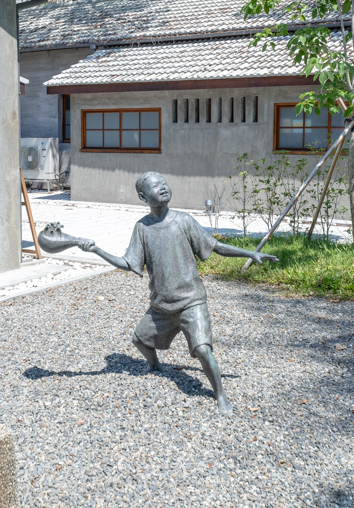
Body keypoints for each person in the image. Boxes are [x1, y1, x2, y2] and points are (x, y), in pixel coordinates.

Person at [80, 172, 277, 415]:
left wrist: (249, 253)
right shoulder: (141, 228)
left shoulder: (183, 221)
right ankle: (154, 366)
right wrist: (97, 250)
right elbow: (129, 263)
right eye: (155, 187)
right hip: (161, 306)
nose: (162, 188)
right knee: (139, 339)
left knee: (203, 349)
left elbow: (216, 246)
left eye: (164, 184)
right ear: (143, 197)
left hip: (191, 302)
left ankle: (220, 395)